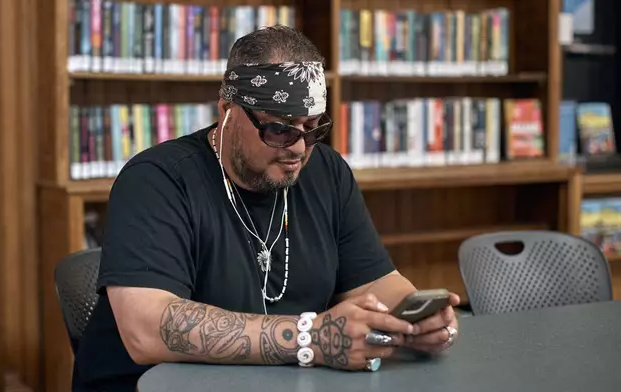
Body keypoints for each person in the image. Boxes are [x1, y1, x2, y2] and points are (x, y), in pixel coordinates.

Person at [72, 25, 460, 392]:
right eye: (280, 128)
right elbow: (146, 328)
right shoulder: (156, 179)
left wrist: (415, 320)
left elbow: (376, 283)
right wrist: (311, 338)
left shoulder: (327, 172)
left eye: (313, 128)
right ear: (227, 110)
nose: (299, 148)